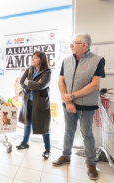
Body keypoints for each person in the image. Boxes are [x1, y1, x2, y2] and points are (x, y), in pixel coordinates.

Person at [52, 33, 105, 180]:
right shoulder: (66, 61)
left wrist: (73, 96)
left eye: (74, 43)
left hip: (87, 105)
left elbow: (95, 84)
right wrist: (68, 101)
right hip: (68, 104)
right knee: (68, 131)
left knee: (87, 133)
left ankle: (91, 163)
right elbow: (60, 82)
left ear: (84, 45)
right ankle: (66, 155)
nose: (71, 45)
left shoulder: (97, 60)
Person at [17, 51, 52, 159]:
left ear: (42, 59)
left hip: (40, 102)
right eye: (33, 57)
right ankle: (25, 142)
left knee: (43, 126)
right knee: (27, 123)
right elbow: (21, 82)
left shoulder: (47, 71)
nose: (33, 59)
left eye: (35, 58)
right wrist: (32, 85)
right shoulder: (29, 69)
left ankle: (47, 149)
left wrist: (29, 83)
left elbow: (42, 85)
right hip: (28, 101)